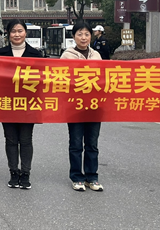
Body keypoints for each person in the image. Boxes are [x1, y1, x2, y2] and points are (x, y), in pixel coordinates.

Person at [0, 19, 44, 189]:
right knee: (10, 139)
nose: (17, 34)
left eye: (20, 31)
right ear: (8, 33)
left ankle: (25, 173)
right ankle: (13, 172)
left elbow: (41, 82)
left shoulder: (35, 55)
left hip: (28, 104)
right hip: (7, 103)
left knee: (26, 139)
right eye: (13, 31)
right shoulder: (0, 54)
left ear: (25, 33)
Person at [61, 20, 103, 192]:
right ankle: (77, 177)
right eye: (80, 34)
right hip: (75, 107)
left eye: (87, 34)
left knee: (92, 144)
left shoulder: (97, 55)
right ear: (73, 36)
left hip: (94, 106)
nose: (83, 37)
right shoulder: (67, 56)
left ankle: (92, 177)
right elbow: (61, 80)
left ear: (91, 36)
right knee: (76, 143)